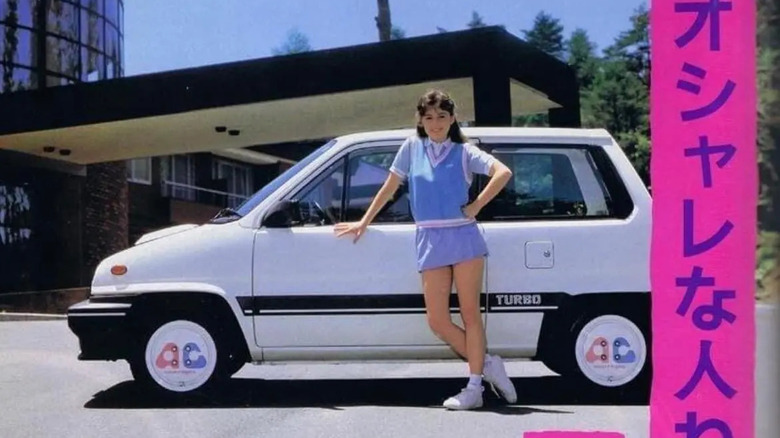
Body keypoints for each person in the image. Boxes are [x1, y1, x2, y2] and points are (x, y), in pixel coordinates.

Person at [334, 89, 517, 410]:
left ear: (452, 118)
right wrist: (363, 222)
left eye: (442, 116)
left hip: (463, 238)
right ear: (420, 119)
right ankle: (488, 365)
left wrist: (476, 206)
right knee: (438, 321)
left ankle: (474, 387)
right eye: (429, 117)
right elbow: (389, 187)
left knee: (470, 314)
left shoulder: (464, 152)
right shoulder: (411, 147)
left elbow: (503, 173)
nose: (435, 123)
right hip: (429, 238)